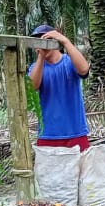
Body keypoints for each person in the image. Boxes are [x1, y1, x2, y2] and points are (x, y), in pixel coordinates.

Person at [28, 22, 91, 151]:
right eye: (38, 41)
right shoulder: (35, 68)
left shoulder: (69, 62)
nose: (42, 44)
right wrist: (41, 57)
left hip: (76, 133)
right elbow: (32, 87)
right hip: (47, 135)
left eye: (45, 40)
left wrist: (65, 41)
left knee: (81, 171)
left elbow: (84, 69)